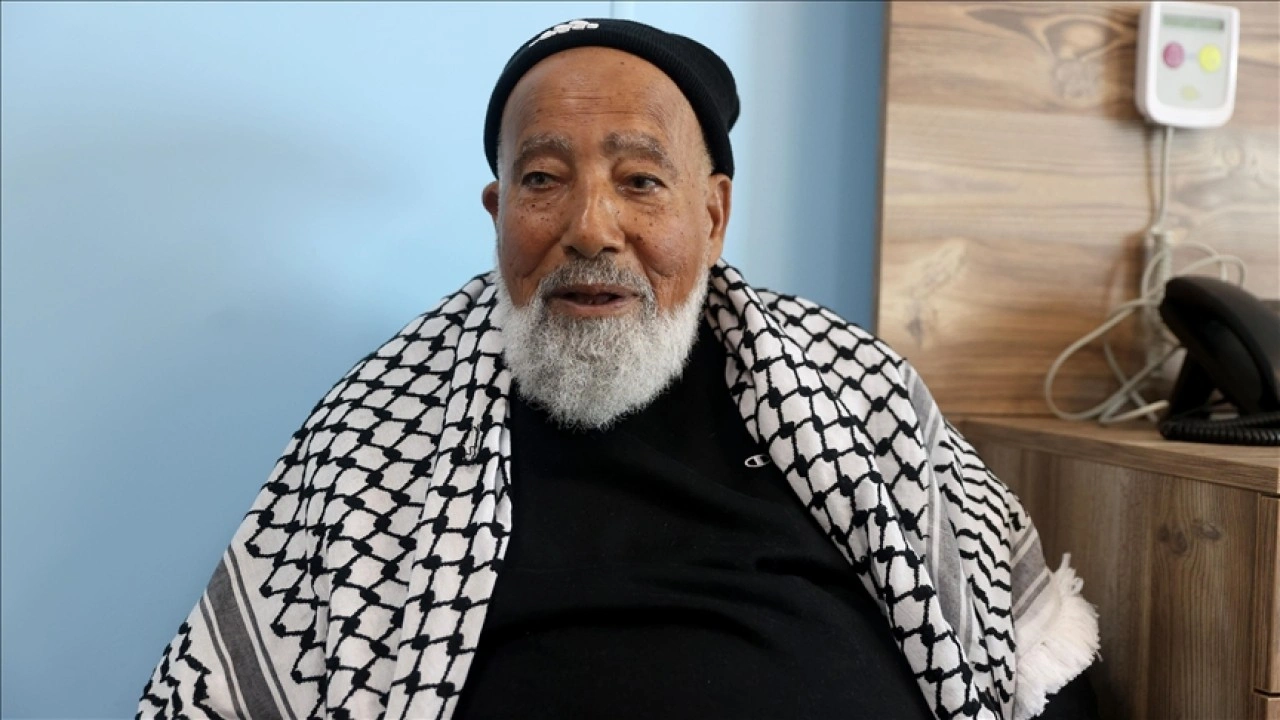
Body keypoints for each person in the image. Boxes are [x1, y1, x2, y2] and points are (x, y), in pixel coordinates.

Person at [138, 18, 1100, 720]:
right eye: (543, 180)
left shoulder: (854, 392)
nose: (591, 228)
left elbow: (1027, 662)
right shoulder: (377, 427)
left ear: (713, 216)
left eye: (640, 181)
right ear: (498, 212)